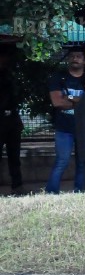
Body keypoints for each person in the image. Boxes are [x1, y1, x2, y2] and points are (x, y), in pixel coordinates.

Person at [45, 45, 85, 193]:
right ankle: (51, 192)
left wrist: (68, 98)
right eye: (72, 56)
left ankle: (80, 192)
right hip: (63, 128)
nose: (75, 59)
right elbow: (57, 102)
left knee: (82, 162)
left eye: (79, 56)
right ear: (68, 59)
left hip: (84, 128)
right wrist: (81, 102)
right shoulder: (58, 78)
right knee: (62, 161)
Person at [0, 48, 23, 193]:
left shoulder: (9, 75)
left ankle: (17, 185)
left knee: (14, 155)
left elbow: (14, 99)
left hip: (12, 120)